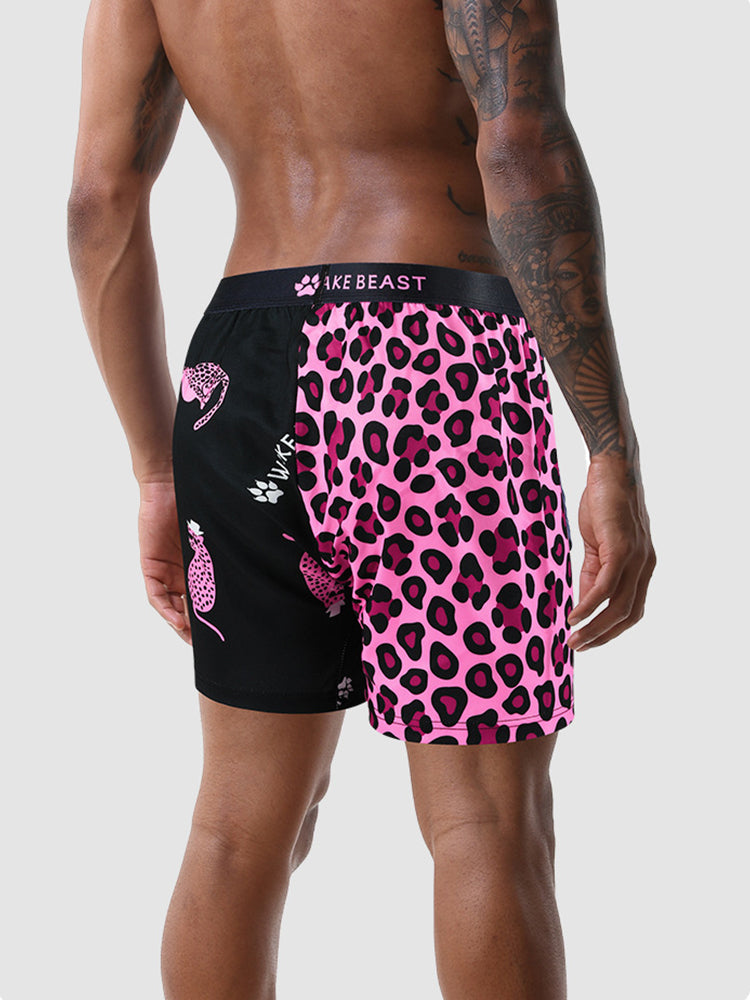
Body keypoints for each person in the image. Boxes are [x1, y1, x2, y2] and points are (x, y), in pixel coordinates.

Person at [67, 0, 656, 996]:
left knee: (238, 826)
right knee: (486, 823)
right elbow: (520, 147)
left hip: (242, 371)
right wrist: (611, 448)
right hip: (435, 357)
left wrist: (155, 466)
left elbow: (97, 200)